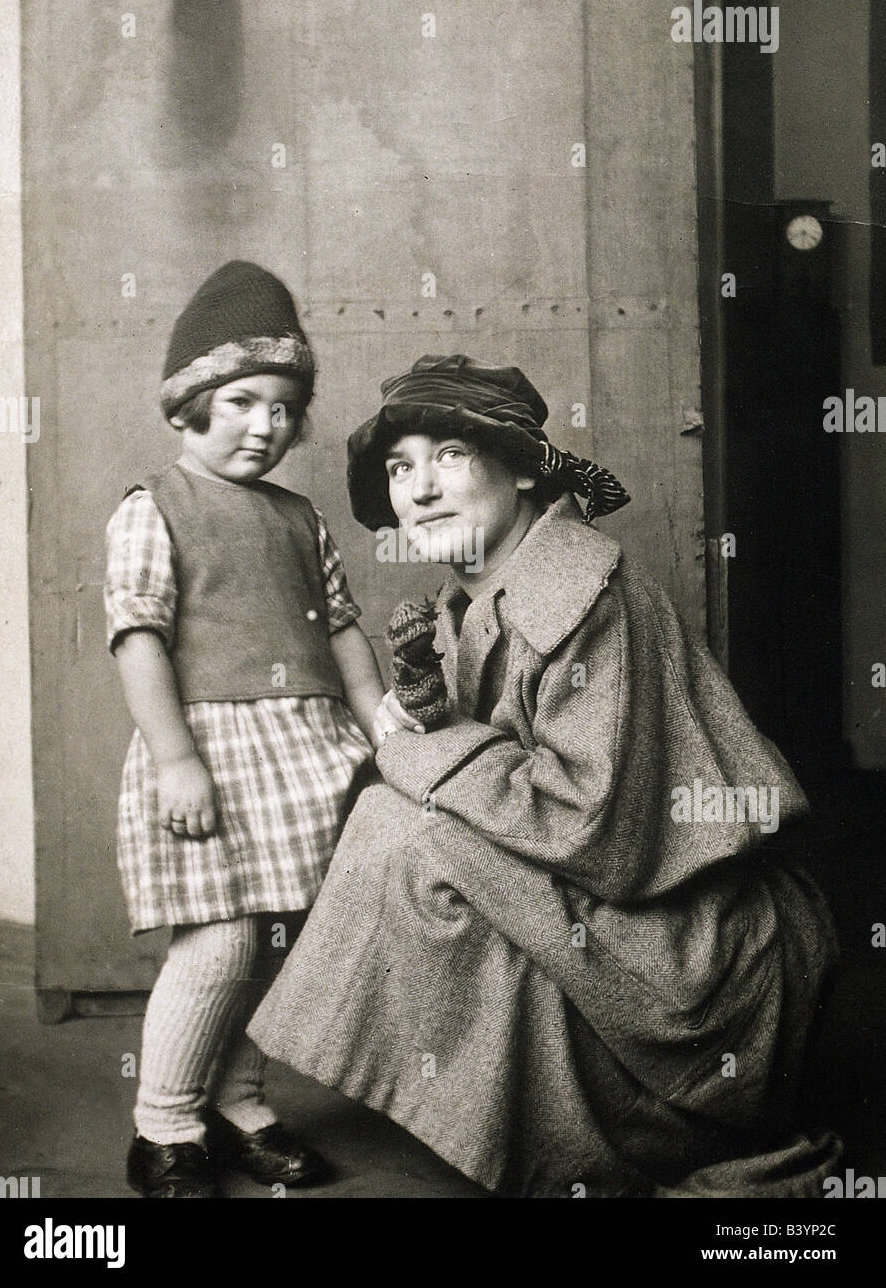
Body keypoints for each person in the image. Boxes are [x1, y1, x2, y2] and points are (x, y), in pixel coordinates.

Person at [249, 352, 843, 1198]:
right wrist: (424, 724)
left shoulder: (577, 589)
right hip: (642, 916)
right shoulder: (483, 592)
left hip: (709, 956)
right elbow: (498, 773)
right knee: (400, 823)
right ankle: (522, 1114)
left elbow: (592, 827)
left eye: (449, 456)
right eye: (399, 467)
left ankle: (617, 1136)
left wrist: (418, 753)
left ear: (523, 470)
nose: (419, 489)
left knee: (413, 832)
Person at [103, 262, 388, 1197]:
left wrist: (380, 727)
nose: (265, 424)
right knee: (220, 943)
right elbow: (137, 639)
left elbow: (343, 629)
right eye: (240, 401)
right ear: (189, 405)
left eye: (283, 407)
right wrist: (176, 761)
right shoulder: (156, 508)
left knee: (280, 943)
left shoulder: (299, 518)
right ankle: (165, 1129)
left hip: (309, 753)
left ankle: (236, 1101)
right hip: (213, 753)